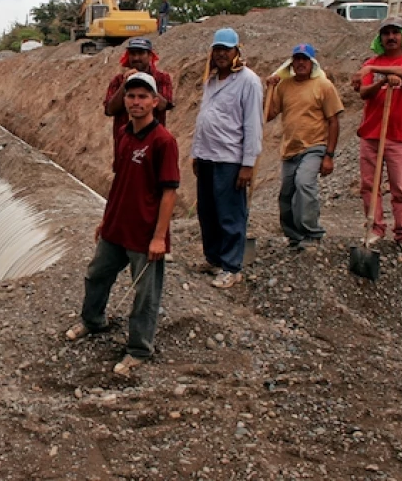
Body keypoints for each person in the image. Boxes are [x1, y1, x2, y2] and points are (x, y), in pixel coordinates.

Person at [66, 72, 179, 377]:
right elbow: (121, 181)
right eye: (131, 96)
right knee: (96, 274)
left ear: (155, 102)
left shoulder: (163, 141)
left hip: (144, 232)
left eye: (143, 96)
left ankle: (139, 349)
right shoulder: (125, 134)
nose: (136, 102)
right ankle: (93, 321)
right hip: (117, 225)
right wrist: (105, 219)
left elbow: (169, 192)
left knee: (145, 293)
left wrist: (159, 238)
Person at [191, 28, 263, 289]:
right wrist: (196, 153)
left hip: (230, 158)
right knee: (207, 211)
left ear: (236, 52)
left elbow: (253, 124)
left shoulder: (249, 81)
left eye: (227, 49)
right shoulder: (211, 80)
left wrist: (248, 164)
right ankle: (213, 258)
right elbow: (205, 117)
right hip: (207, 155)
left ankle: (232, 267)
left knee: (229, 213)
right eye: (217, 49)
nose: (221, 54)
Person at [351, 16, 402, 257]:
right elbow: (363, 92)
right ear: (380, 38)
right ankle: (375, 227)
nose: (391, 37)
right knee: (369, 185)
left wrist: (374, 70)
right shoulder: (372, 62)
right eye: (386, 33)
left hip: (398, 135)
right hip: (371, 133)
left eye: (396, 32)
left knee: (400, 188)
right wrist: (382, 81)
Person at [266, 44, 344, 249]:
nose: (300, 63)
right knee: (286, 194)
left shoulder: (323, 85)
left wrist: (329, 155)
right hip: (290, 149)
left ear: (312, 63)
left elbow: (334, 121)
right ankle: (294, 236)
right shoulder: (284, 86)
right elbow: (269, 115)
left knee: (304, 184)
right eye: (297, 59)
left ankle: (312, 233)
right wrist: (270, 88)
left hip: (314, 146)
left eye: (305, 59)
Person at [104, 37, 174, 153]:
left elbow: (163, 105)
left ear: (150, 56)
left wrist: (144, 81)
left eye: (141, 53)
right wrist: (125, 84)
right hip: (124, 146)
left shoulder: (162, 79)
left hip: (153, 145)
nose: (136, 58)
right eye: (132, 54)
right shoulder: (118, 81)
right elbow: (110, 110)